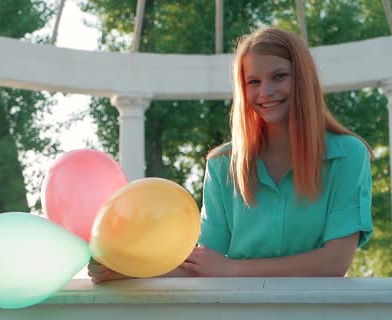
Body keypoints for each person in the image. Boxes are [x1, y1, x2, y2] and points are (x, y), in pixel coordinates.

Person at [88, 27, 373, 284]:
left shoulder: (348, 155)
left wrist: (233, 269)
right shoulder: (222, 164)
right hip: (235, 318)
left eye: (279, 76)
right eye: (253, 81)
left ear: (303, 79)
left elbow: (334, 262)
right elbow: (206, 263)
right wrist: (125, 268)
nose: (266, 91)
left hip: (316, 319)